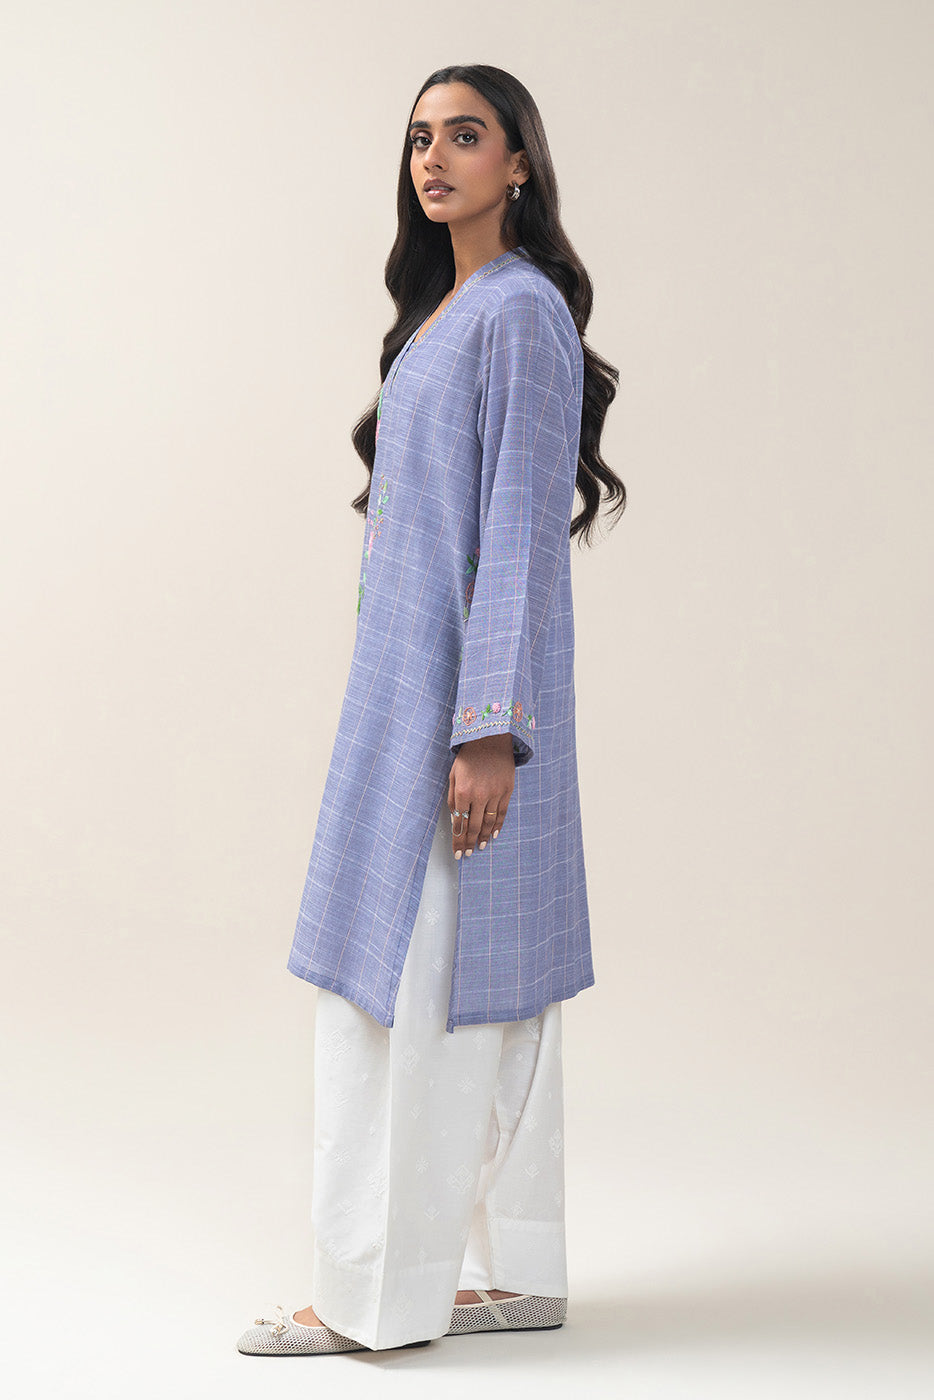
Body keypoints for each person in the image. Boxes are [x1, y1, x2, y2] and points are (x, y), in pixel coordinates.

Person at [237, 62, 624, 1358]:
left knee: (420, 997)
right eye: (419, 137)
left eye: (466, 135)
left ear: (519, 163)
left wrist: (488, 731)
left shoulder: (517, 312)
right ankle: (521, 1272)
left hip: (459, 717)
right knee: (470, 990)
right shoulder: (446, 311)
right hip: (408, 698)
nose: (434, 157)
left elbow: (519, 528)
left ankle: (373, 1299)